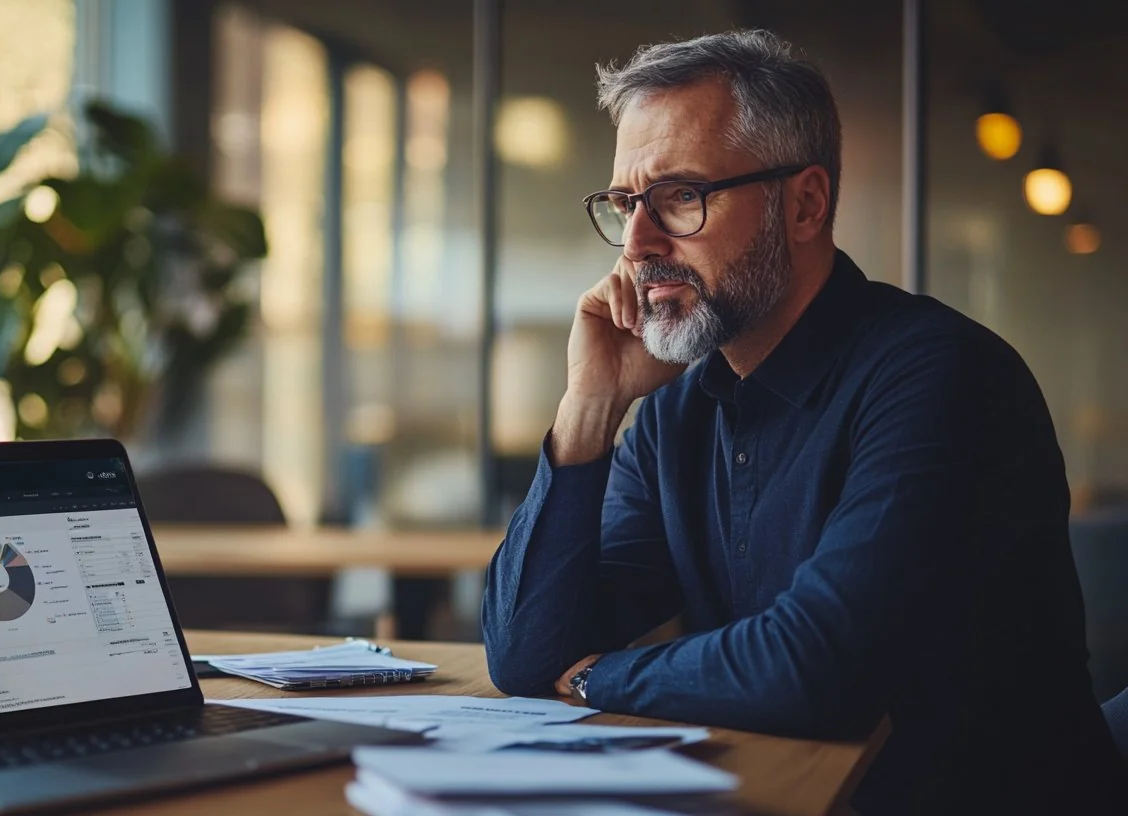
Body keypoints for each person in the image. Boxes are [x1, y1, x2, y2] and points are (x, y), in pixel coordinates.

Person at [481, 29, 1127, 814]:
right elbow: (522, 655)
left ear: (806, 204)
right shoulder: (674, 414)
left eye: (681, 196)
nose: (638, 246)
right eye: (625, 204)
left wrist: (594, 677)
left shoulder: (943, 379)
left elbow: (817, 670)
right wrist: (590, 405)